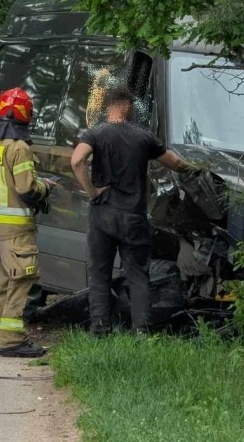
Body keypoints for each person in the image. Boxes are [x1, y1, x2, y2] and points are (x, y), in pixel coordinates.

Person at [70, 86, 196, 334]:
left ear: (108, 107)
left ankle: (100, 328)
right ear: (127, 107)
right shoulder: (143, 136)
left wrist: (92, 192)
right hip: (133, 217)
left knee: (99, 274)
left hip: (102, 214)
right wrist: (198, 169)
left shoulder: (95, 133)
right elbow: (176, 164)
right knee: (138, 275)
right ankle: (142, 331)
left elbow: (76, 161)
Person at [0, 88, 54, 357]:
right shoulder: (18, 148)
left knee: (0, 285)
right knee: (21, 283)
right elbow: (26, 189)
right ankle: (12, 341)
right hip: (16, 233)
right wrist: (44, 186)